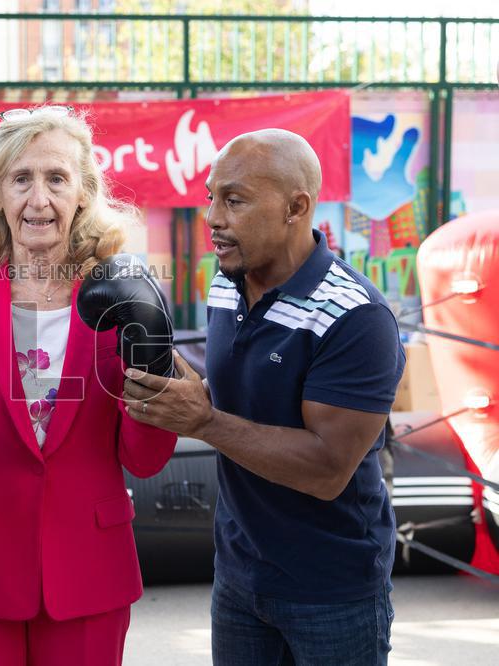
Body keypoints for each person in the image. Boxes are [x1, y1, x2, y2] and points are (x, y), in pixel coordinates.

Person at [0, 107, 178, 666]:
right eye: (20, 179)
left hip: (88, 566)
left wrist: (152, 356)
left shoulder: (119, 292)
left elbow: (145, 459)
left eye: (57, 178)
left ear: (83, 193)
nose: (38, 198)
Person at [124, 129, 405, 665]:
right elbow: (237, 396)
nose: (213, 217)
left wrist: (203, 422)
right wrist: (165, 379)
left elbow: (327, 469)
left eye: (234, 200)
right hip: (238, 576)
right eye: (211, 197)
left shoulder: (356, 316)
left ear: (296, 207)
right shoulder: (226, 282)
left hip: (332, 590)